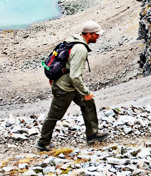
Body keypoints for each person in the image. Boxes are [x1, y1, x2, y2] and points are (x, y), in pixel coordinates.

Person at [36, 20, 109, 151]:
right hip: (65, 88)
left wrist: (86, 95)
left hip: (71, 85)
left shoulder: (74, 40)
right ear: (89, 35)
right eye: (96, 34)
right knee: (54, 115)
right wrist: (86, 92)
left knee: (88, 104)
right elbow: (75, 76)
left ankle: (92, 134)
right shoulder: (81, 49)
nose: (98, 37)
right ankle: (43, 143)